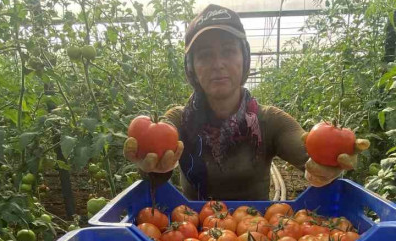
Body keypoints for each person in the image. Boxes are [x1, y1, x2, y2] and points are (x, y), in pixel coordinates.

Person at [123, 4, 368, 200]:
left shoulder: (270, 121)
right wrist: (151, 166)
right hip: (191, 236)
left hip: (253, 240)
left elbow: (310, 155)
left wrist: (328, 161)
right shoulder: (178, 120)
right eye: (205, 55)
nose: (218, 63)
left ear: (245, 58)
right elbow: (157, 154)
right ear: (192, 68)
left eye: (229, 51)